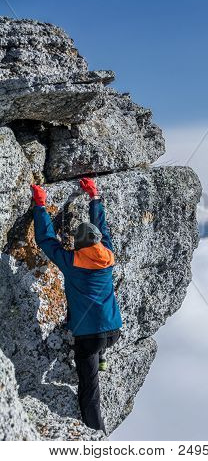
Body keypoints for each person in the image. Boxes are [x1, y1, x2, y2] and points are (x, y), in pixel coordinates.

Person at [31, 177, 123, 434]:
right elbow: (102, 228)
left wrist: (40, 205)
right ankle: (102, 356)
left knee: (89, 389)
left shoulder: (71, 262)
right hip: (114, 331)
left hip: (89, 337)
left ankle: (94, 431)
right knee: (97, 335)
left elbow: (47, 240)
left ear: (79, 245)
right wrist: (94, 197)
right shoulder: (108, 255)